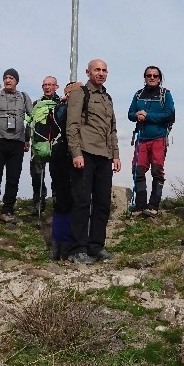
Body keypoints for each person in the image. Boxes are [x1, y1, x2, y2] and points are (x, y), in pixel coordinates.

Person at [65, 59, 121, 264]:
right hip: (85, 153)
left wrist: (115, 154)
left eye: (104, 70)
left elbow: (112, 129)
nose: (101, 73)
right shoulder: (80, 94)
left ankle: (96, 246)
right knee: (81, 202)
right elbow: (72, 126)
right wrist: (76, 153)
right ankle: (76, 249)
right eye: (97, 70)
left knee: (102, 204)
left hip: (104, 156)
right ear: (88, 72)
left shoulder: (107, 97)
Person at [0, 68, 33, 224]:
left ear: (16, 81)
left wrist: (27, 139)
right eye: (5, 77)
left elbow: (31, 119)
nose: (8, 80)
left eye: (11, 78)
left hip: (17, 143)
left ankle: (7, 211)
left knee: (13, 178)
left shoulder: (24, 97)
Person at [127, 65, 175, 217]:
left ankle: (153, 205)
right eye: (149, 75)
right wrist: (137, 116)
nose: (152, 77)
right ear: (145, 77)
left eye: (155, 75)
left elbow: (169, 115)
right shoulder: (138, 94)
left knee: (157, 171)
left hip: (159, 137)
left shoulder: (165, 94)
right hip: (141, 137)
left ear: (160, 78)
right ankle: (140, 206)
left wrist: (147, 116)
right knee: (138, 171)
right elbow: (130, 113)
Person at [48, 81, 81, 260]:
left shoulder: (60, 108)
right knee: (64, 200)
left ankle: (63, 244)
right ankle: (60, 243)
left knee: (70, 200)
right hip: (63, 156)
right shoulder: (61, 109)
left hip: (69, 155)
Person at [27, 76, 61, 215]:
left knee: (57, 175)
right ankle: (38, 202)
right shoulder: (36, 103)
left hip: (56, 144)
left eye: (50, 85)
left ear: (56, 87)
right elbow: (30, 122)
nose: (47, 87)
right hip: (38, 144)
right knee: (36, 175)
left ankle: (57, 201)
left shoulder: (61, 103)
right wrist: (26, 140)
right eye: (44, 85)